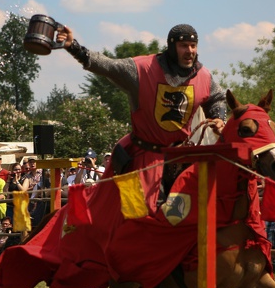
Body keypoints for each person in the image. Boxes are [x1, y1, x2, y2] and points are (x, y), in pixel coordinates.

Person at [57, 23, 226, 212]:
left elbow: (217, 99)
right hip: (141, 160)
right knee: (134, 218)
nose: (190, 51)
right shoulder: (142, 69)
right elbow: (107, 66)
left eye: (193, 46)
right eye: (183, 46)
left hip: (179, 159)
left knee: (186, 217)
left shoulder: (203, 76)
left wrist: (218, 116)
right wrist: (74, 47)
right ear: (171, 47)